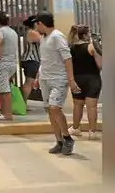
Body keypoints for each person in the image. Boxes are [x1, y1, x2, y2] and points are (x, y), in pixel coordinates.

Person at [34, 12, 81, 155]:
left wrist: (71, 80)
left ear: (41, 24)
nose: (36, 28)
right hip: (45, 78)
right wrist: (38, 76)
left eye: (37, 25)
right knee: (49, 109)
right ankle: (59, 140)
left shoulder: (57, 36)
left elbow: (67, 58)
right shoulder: (44, 38)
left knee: (55, 107)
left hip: (58, 79)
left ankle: (67, 137)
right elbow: (44, 60)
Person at [67, 25, 102, 140]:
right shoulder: (91, 47)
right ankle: (92, 132)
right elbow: (100, 65)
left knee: (77, 105)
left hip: (77, 79)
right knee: (92, 107)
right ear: (86, 35)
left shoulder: (70, 48)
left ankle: (76, 128)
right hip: (92, 79)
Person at [0, 11, 20, 121]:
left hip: (2, 63)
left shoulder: (0, 31)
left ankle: (7, 114)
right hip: (12, 63)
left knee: (4, 90)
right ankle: (4, 112)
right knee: (5, 87)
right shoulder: (13, 32)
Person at [19, 15, 42, 102]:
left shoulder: (31, 32)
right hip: (31, 60)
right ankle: (23, 104)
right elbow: (44, 41)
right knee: (29, 83)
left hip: (30, 60)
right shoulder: (32, 32)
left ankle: (23, 103)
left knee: (28, 82)